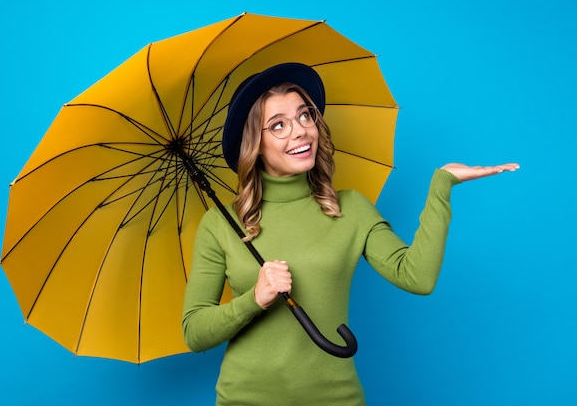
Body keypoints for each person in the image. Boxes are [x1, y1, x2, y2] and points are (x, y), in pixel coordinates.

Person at [182, 62, 519, 406]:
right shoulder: (221, 223)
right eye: (278, 126)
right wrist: (255, 298)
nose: (299, 131)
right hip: (244, 400)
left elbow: (417, 277)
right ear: (254, 144)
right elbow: (194, 331)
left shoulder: (350, 209)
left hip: (336, 398)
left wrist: (441, 185)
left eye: (304, 116)